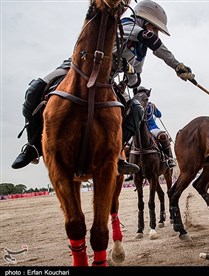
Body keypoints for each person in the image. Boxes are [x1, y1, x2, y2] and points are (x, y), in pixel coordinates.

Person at [11, 0, 194, 174]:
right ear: (142, 20)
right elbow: (152, 41)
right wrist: (177, 66)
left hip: (108, 79)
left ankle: (117, 154)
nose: (156, 33)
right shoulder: (126, 25)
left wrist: (130, 71)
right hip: (77, 67)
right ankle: (32, 146)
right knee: (34, 89)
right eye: (154, 27)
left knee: (136, 110)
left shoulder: (140, 50)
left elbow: (134, 82)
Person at [136, 86, 176, 168]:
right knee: (127, 143)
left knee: (163, 137)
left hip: (152, 129)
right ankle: (129, 164)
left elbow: (159, 114)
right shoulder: (135, 106)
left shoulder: (151, 106)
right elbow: (159, 115)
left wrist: (153, 108)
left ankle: (169, 159)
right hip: (138, 130)